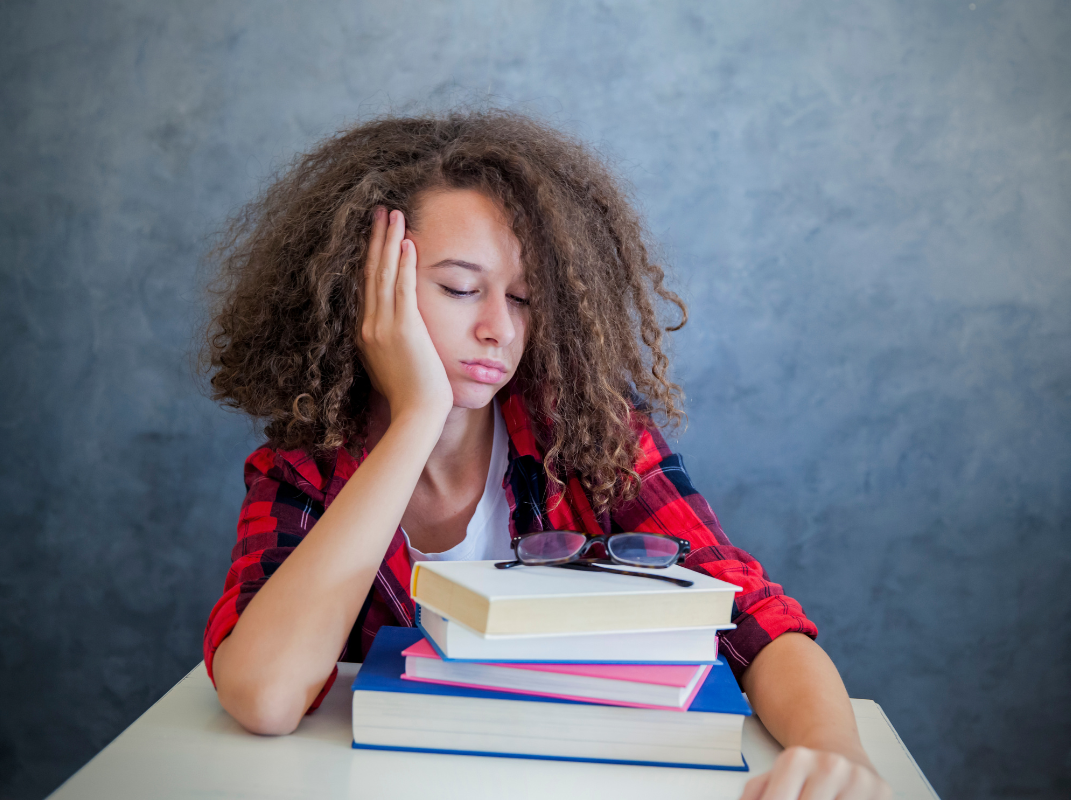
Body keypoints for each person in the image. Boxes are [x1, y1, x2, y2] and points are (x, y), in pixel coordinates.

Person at [201, 110, 891, 800]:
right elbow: (264, 697)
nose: (498, 328)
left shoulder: (589, 438)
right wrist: (417, 416)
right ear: (366, 290)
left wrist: (832, 751)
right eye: (460, 288)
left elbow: (754, 620)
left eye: (524, 299)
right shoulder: (302, 471)